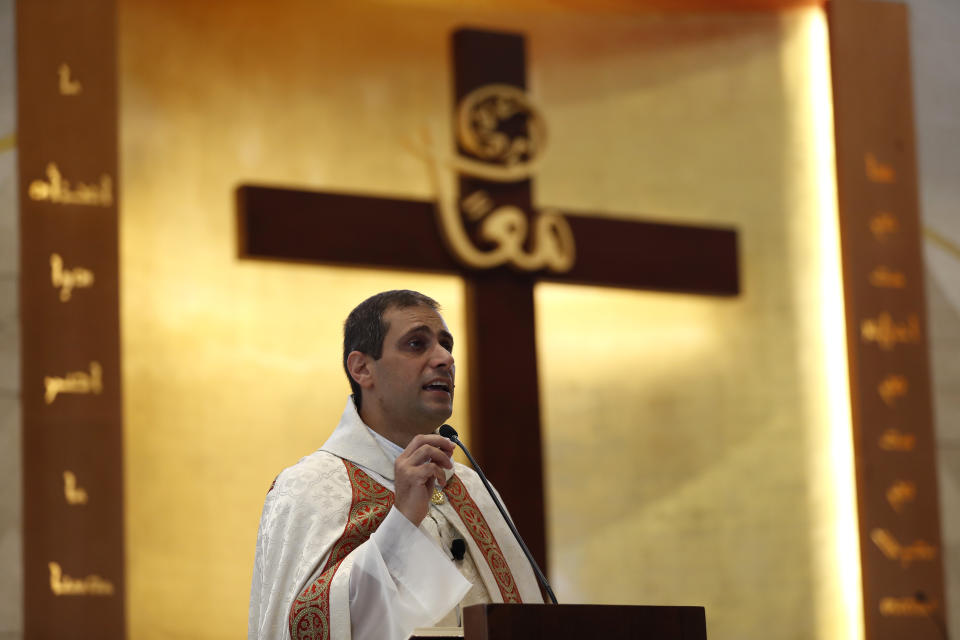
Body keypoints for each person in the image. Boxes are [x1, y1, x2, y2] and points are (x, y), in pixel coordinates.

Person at [249, 290, 542, 640]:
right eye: (417, 344)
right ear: (361, 368)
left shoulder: (475, 488)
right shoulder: (308, 487)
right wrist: (400, 524)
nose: (445, 359)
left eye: (446, 345)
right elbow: (302, 626)